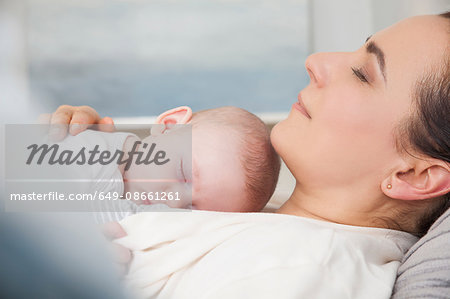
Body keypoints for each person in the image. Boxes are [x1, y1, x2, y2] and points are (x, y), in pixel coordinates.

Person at [47, 12, 449, 298]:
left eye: (364, 74)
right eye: (359, 48)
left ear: (414, 175)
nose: (317, 62)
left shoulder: (303, 269)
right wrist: (60, 158)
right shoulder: (257, 216)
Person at [40, 105, 280, 221]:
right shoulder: (88, 150)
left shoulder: (142, 218)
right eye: (183, 174)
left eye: (192, 209)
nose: (175, 201)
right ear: (169, 125)